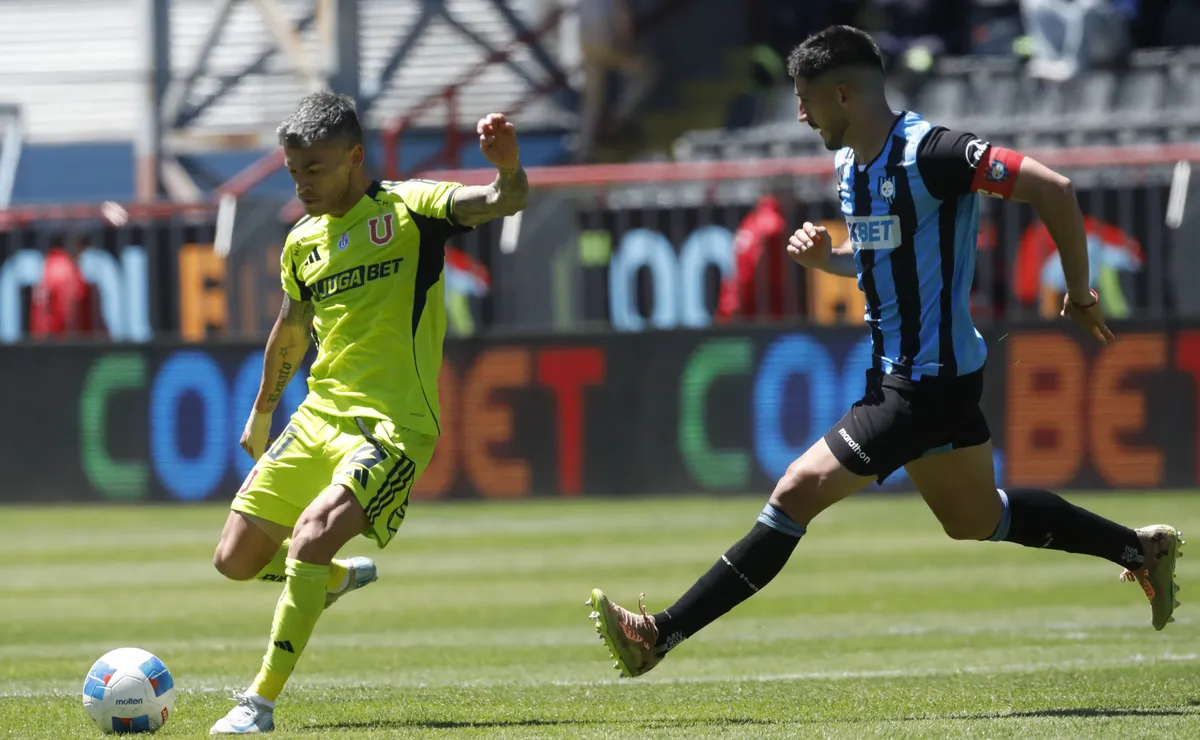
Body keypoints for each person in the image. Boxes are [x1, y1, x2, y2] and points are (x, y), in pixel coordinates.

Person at [587, 25, 1182, 680]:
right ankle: (1138, 548)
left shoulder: (933, 152)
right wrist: (829, 259)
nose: (800, 115)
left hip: (922, 385)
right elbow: (883, 254)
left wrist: (1080, 292)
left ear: (843, 94)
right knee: (976, 518)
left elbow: (1054, 187)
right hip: (921, 378)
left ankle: (659, 635)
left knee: (795, 492)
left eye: (806, 99)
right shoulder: (850, 164)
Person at [208, 91, 528, 734]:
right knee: (234, 559)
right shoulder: (301, 242)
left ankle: (258, 703)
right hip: (317, 417)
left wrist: (508, 167)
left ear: (355, 157)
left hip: (391, 425)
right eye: (293, 172)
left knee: (310, 534)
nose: (302, 185)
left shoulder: (411, 209)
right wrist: (262, 412)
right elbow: (290, 330)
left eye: (315, 169)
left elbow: (502, 201)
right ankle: (327, 580)